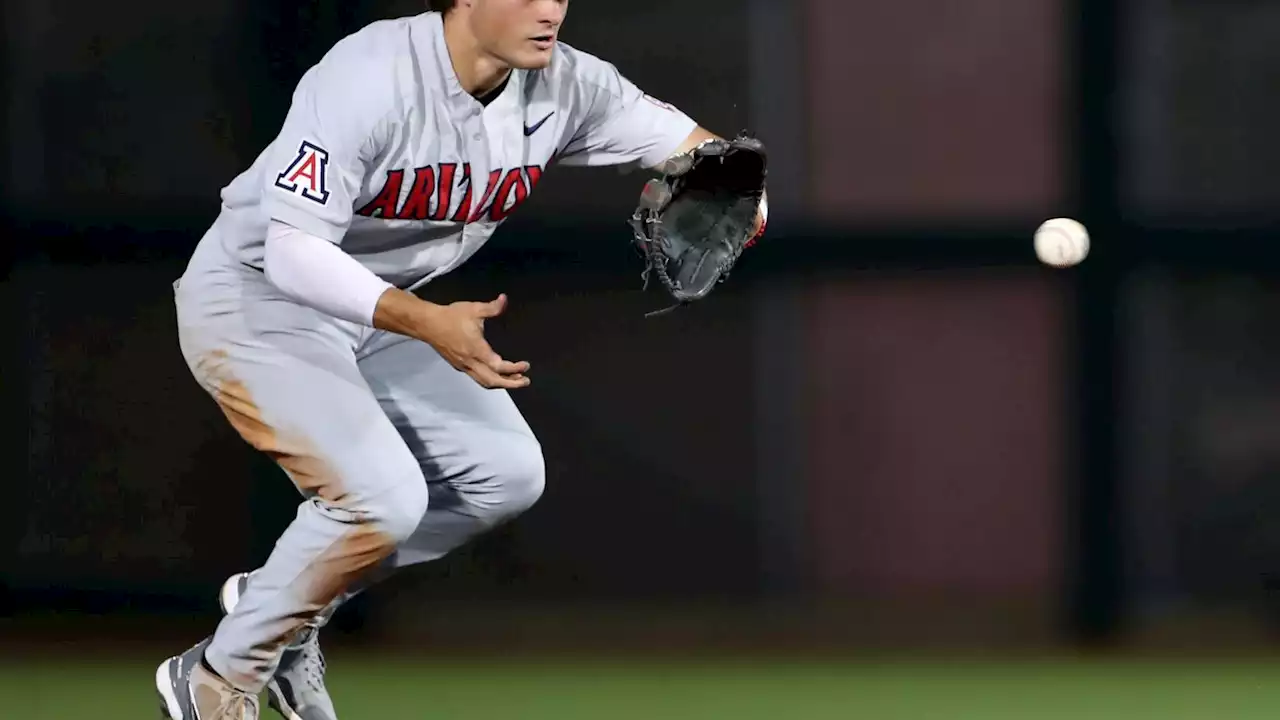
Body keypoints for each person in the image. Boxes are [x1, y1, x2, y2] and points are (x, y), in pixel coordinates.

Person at [155, 1, 767, 719]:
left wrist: (746, 201)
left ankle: (277, 604)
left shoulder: (570, 85)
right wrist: (426, 324)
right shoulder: (370, 75)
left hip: (379, 310)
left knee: (503, 477)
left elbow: (709, 159)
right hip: (257, 296)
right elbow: (293, 252)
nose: (550, 10)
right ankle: (219, 677)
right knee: (382, 498)